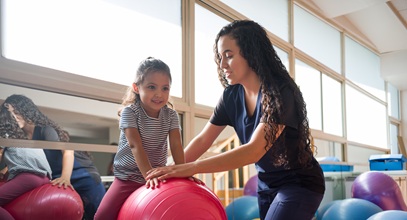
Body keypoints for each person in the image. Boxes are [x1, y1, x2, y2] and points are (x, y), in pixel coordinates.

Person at [146, 20, 325, 220]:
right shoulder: (231, 96)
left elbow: (254, 150)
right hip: (266, 184)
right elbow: (203, 140)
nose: (222, 65)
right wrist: (169, 169)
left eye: (229, 56)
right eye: (220, 57)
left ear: (251, 53)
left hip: (299, 183)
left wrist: (193, 167)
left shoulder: (280, 92)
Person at [94, 57, 185, 220]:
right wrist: (149, 176)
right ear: (136, 88)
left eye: (165, 88)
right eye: (152, 87)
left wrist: (183, 172)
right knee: (102, 216)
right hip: (127, 178)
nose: (159, 94)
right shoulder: (130, 112)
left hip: (157, 176)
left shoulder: (171, 115)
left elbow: (176, 144)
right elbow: (135, 145)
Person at [0, 94, 105, 220]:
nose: (14, 117)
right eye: (10, 114)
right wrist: (5, 170)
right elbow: (28, 159)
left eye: (16, 112)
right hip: (57, 178)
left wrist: (65, 177)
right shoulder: (23, 137)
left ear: (26, 111)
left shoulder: (45, 129)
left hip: (82, 176)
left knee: (99, 215)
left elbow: (68, 151)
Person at [0, 100, 53, 220]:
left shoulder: (4, 134)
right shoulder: (23, 137)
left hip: (28, 177)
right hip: (45, 178)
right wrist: (6, 171)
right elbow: (25, 160)